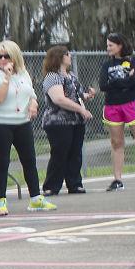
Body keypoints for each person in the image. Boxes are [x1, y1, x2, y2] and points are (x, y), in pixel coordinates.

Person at [0, 40, 55, 214]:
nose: (3, 59)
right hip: (1, 122)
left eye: (7, 56)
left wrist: (33, 103)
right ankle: (1, 199)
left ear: (15, 56)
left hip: (22, 122)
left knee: (29, 160)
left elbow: (31, 93)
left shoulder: (23, 73)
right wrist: (7, 77)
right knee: (2, 161)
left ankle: (35, 198)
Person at [99, 33, 135, 191]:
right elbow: (103, 85)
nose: (108, 48)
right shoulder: (106, 65)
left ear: (120, 45)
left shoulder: (134, 61)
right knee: (117, 143)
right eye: (107, 45)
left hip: (132, 103)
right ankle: (117, 180)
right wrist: (124, 81)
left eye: (111, 45)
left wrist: (116, 82)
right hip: (112, 105)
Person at [40, 45, 95, 196]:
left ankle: (75, 183)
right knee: (60, 152)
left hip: (76, 121)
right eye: (67, 54)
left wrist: (87, 96)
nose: (70, 56)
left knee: (75, 153)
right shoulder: (53, 77)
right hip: (58, 121)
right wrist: (81, 109)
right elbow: (59, 99)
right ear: (59, 57)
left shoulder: (71, 76)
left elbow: (77, 94)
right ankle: (51, 185)